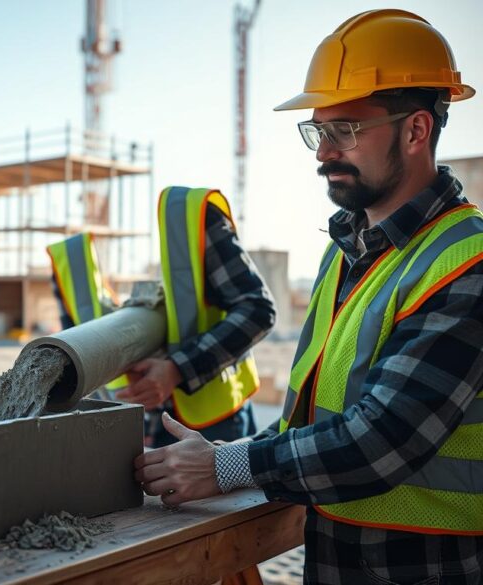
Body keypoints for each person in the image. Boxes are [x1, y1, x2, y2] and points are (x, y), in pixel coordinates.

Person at [134, 9, 483, 584]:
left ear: (417, 130)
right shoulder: (346, 253)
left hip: (424, 568)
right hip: (335, 561)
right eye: (318, 132)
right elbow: (313, 416)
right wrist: (224, 456)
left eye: (344, 130)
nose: (323, 152)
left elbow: (381, 441)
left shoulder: (465, 262)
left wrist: (226, 464)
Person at [115, 186, 275, 447]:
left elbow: (257, 309)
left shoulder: (189, 213)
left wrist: (177, 369)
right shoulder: (70, 255)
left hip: (214, 421)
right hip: (148, 419)